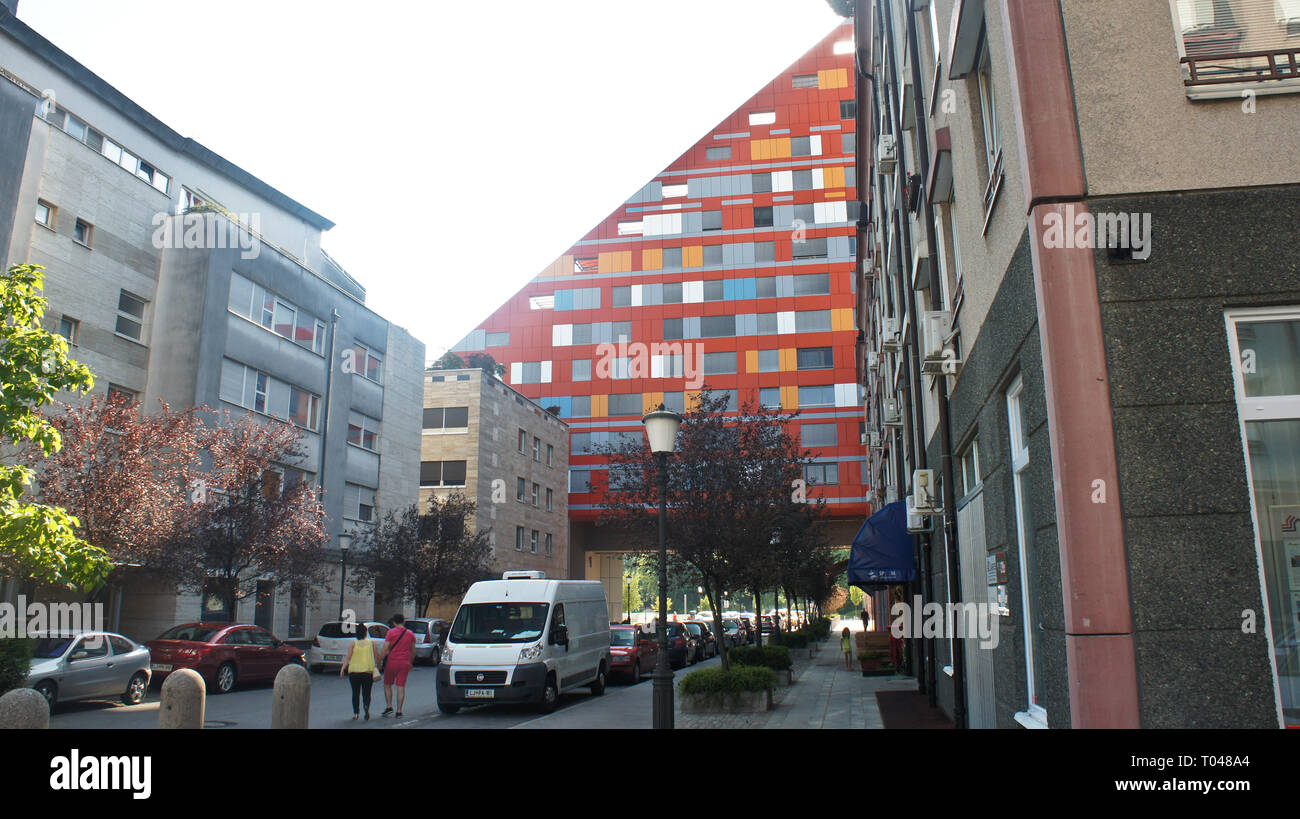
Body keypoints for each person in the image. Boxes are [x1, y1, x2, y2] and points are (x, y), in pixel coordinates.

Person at [380, 613, 417, 717]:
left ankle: (389, 706)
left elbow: (385, 648)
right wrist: (410, 662)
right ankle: (399, 710)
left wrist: (379, 660)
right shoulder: (410, 634)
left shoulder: (390, 633)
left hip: (392, 662)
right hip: (404, 662)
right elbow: (413, 650)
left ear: (393, 622)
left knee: (387, 684)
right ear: (404, 621)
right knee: (401, 686)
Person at [339, 623, 377, 721]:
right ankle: (366, 707)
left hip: (354, 672)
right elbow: (377, 656)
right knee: (367, 693)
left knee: (355, 693)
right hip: (368, 672)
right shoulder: (372, 643)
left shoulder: (353, 643)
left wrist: (343, 668)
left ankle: (356, 713)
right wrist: (378, 666)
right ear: (365, 633)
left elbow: (348, 657)